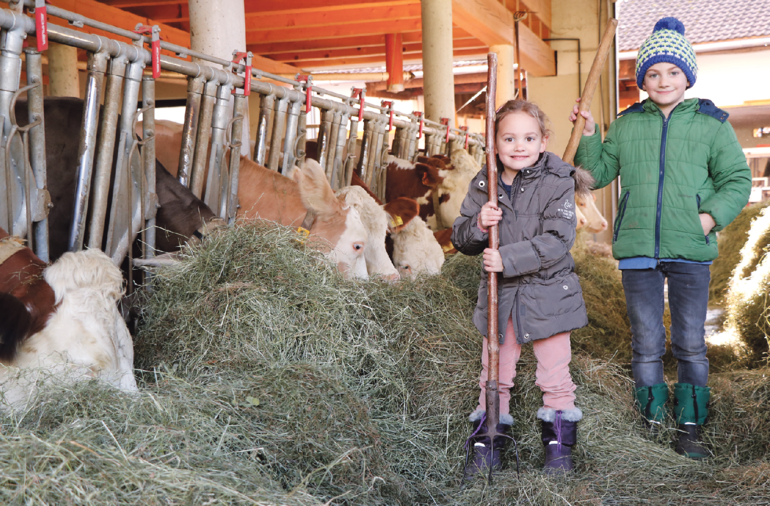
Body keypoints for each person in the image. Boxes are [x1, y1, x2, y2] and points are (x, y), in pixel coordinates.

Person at [570, 17, 751, 458]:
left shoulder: (711, 124)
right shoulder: (627, 124)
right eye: (653, 73)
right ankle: (651, 422)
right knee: (646, 343)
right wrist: (590, 136)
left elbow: (737, 179)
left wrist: (707, 219)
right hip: (637, 250)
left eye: (672, 72)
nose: (663, 80)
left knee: (690, 341)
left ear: (687, 76)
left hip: (690, 248)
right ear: (641, 81)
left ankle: (689, 426)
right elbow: (596, 175)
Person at [452, 99, 588, 477]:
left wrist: (507, 260)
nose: (518, 145)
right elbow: (461, 239)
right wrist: (480, 224)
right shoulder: (484, 183)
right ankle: (488, 442)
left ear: (543, 141)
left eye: (528, 137)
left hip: (549, 295)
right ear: (494, 143)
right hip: (501, 296)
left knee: (554, 373)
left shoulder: (557, 181)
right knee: (494, 372)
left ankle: (559, 451)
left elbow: (558, 239)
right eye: (508, 138)